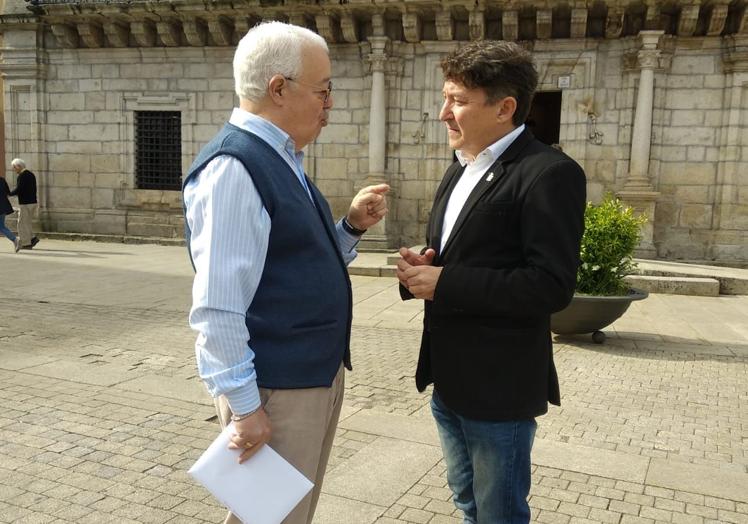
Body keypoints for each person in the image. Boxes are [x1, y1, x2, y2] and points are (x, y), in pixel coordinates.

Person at [182, 21, 389, 524]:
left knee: (286, 517)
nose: (330, 103)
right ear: (278, 88)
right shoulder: (236, 168)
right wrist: (248, 409)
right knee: (269, 519)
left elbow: (295, 263)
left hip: (308, 378)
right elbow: (217, 307)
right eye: (323, 90)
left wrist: (350, 228)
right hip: (277, 390)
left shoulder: (282, 158)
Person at [397, 41, 586, 524]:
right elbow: (461, 254)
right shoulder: (461, 164)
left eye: (457, 100)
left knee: (499, 513)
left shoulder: (549, 173)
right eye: (445, 98)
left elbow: (550, 285)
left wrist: (447, 283)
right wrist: (423, 267)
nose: (443, 113)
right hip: (448, 380)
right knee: (468, 503)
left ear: (504, 108)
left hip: (498, 391)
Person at [9, 158, 39, 250]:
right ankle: (32, 238)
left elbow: (19, 189)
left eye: (14, 168)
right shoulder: (31, 174)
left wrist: (9, 194)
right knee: (27, 222)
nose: (14, 170)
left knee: (22, 223)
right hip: (33, 202)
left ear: (18, 166)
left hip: (25, 203)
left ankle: (26, 243)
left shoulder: (22, 176)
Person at [0, 169, 21, 253]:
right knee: (1, 226)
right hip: (4, 206)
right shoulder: (2, 180)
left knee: (1, 227)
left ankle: (15, 239)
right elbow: (8, 193)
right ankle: (15, 240)